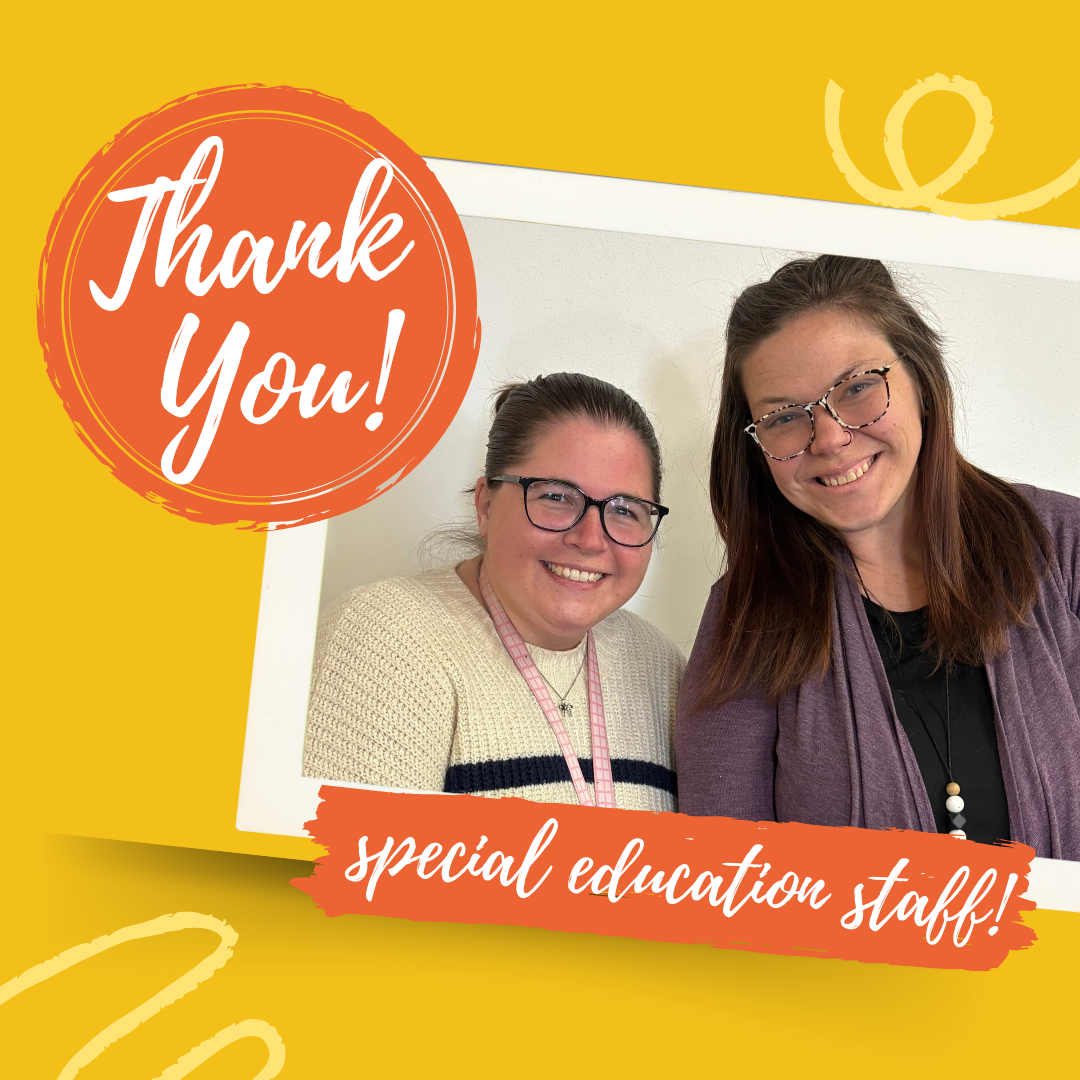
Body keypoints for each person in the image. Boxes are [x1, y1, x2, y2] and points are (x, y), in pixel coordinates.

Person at [676, 254, 1080, 859]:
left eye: (858, 387)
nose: (830, 438)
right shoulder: (745, 616)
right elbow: (728, 882)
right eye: (785, 417)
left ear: (921, 379)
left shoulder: (1064, 543)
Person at [304, 372, 684, 810]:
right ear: (486, 505)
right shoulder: (385, 636)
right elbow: (349, 867)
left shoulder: (659, 667)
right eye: (557, 497)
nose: (591, 539)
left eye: (624, 509)